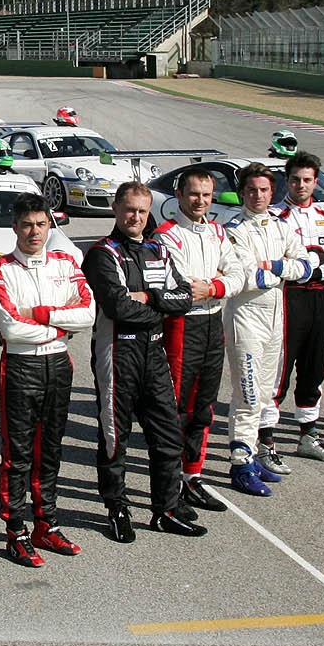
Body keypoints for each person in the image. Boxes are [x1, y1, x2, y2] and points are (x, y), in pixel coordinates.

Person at [83, 183, 207, 543]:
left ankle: (165, 510)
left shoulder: (158, 249)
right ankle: (117, 508)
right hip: (117, 352)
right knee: (114, 435)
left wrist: (150, 296)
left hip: (154, 352)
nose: (135, 217)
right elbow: (118, 306)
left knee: (168, 432)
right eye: (129, 210)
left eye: (141, 210)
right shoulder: (102, 254)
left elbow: (184, 296)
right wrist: (159, 302)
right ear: (116, 210)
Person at [0, 192, 95, 567]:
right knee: (17, 458)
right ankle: (15, 532)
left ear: (51, 225)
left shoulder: (66, 262)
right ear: (14, 226)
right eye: (27, 224)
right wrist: (59, 324)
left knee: (50, 453)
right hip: (20, 368)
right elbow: (12, 328)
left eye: (41, 224)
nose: (35, 231)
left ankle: (46, 525)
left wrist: (42, 314)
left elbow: (88, 315)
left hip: (59, 366)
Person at [153, 168, 242, 513]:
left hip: (212, 323)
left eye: (206, 195)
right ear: (179, 196)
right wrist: (210, 283)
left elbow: (238, 273)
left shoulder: (218, 232)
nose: (200, 201)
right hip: (180, 325)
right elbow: (179, 284)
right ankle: (170, 481)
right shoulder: (166, 235)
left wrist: (215, 287)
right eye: (194, 194)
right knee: (176, 407)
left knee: (203, 407)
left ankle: (193, 476)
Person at [220, 164, 312, 496]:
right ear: (242, 192)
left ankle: (251, 451)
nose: (257, 195)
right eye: (251, 190)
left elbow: (306, 266)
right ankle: (240, 462)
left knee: (265, 390)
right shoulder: (234, 229)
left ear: (273, 192)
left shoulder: (281, 225)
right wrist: (283, 269)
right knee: (247, 393)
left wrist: (273, 266)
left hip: (275, 312)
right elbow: (248, 277)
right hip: (244, 314)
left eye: (263, 190)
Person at [269, 152, 324, 463]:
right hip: (288, 299)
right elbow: (278, 265)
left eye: (307, 180)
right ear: (286, 182)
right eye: (295, 180)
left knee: (314, 368)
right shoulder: (276, 218)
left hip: (320, 298)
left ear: (316, 182)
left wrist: (313, 271)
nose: (301, 185)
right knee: (280, 371)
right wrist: (303, 270)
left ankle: (308, 437)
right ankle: (266, 443)